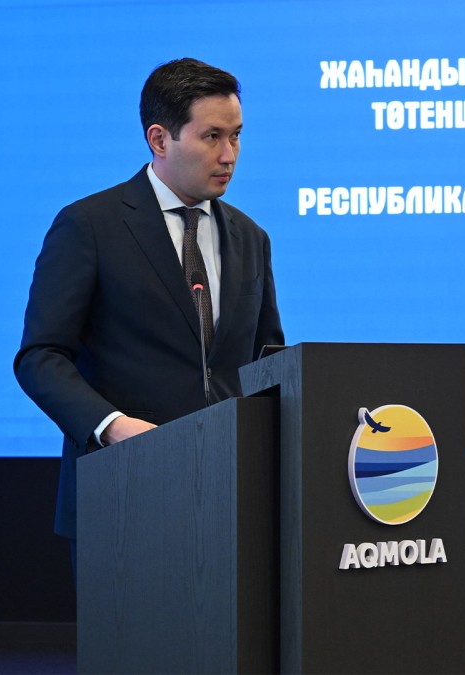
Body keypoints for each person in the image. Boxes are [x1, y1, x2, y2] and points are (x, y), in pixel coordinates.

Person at [14, 58, 284, 544]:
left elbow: (267, 361)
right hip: (123, 491)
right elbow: (41, 357)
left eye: (237, 136)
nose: (229, 155)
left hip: (231, 496)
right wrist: (112, 427)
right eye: (212, 137)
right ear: (159, 140)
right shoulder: (90, 226)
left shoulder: (251, 237)